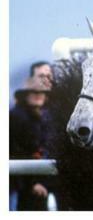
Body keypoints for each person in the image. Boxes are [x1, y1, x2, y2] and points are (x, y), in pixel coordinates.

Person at [10, 74, 54, 210]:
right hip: (24, 185)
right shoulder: (17, 116)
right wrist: (32, 184)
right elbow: (14, 152)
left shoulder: (46, 116)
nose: (39, 95)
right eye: (34, 92)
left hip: (44, 183)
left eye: (43, 92)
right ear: (25, 95)